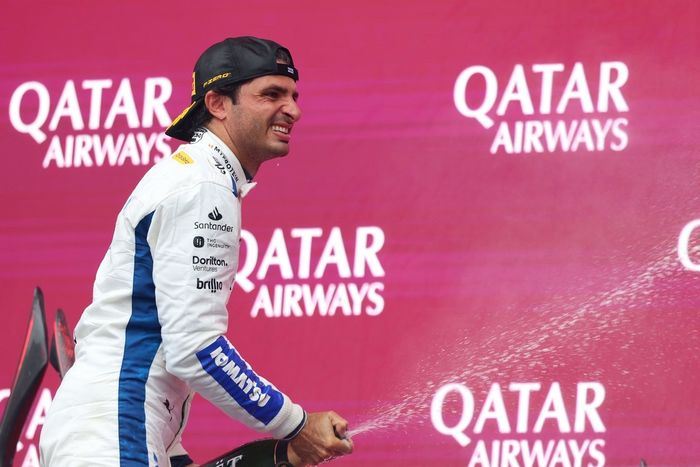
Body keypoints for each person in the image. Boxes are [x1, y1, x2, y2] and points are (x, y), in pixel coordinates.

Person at [40, 36, 354, 467]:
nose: (293, 110)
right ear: (218, 103)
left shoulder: (198, 176)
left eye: (294, 96)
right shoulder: (203, 185)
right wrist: (295, 424)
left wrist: (287, 453)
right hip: (115, 427)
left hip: (115, 426)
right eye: (271, 94)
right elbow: (196, 348)